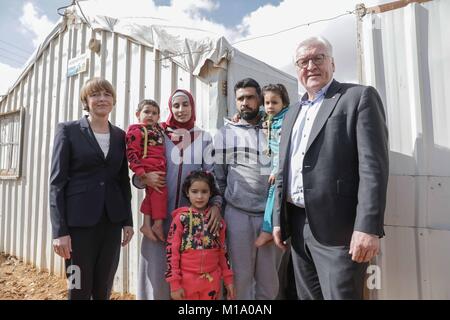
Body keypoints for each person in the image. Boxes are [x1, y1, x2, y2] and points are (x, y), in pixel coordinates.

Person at [273, 36, 389, 300]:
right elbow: (284, 170)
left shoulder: (358, 97)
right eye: (303, 61)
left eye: (318, 58)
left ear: (333, 64)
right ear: (297, 69)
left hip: (341, 232)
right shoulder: (291, 113)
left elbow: (374, 168)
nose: (310, 66)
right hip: (299, 226)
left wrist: (368, 227)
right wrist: (278, 220)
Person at [49, 78, 134, 300]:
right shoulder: (68, 130)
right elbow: (56, 183)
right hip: (77, 226)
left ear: (113, 100)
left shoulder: (119, 136)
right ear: (86, 100)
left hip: (111, 223)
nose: (102, 99)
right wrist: (60, 232)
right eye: (95, 94)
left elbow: (122, 180)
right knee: (77, 286)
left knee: (103, 288)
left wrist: (127, 220)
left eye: (107, 94)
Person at [137, 89, 223, 300]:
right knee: (155, 279)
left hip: (190, 223)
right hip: (158, 218)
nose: (181, 110)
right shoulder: (157, 134)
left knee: (187, 282)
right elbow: (141, 168)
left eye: (185, 104)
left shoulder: (203, 138)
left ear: (192, 107)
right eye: (176, 105)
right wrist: (143, 178)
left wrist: (216, 204)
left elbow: (212, 176)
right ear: (170, 108)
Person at [214, 78, 282, 300]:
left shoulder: (275, 127)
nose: (245, 103)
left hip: (269, 217)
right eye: (240, 98)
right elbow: (219, 176)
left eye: (250, 97)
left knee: (269, 282)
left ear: (260, 99)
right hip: (237, 214)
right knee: (240, 280)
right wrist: (223, 209)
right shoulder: (226, 133)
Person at [165, 170, 235, 300]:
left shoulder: (216, 221)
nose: (199, 196)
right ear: (187, 192)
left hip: (211, 283)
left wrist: (228, 280)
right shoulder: (181, 219)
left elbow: (223, 253)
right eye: (194, 191)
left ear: (211, 193)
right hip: (186, 283)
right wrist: (174, 284)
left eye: (204, 192)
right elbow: (171, 252)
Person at [126, 99, 167, 242]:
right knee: (160, 194)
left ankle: (146, 225)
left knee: (151, 195)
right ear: (138, 114)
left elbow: (170, 124)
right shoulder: (136, 131)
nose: (150, 115)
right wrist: (141, 173)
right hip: (148, 167)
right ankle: (158, 224)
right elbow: (131, 153)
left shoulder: (158, 129)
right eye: (146, 112)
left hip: (159, 166)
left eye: (154, 113)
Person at [254, 84, 290, 248]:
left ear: (284, 103)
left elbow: (285, 148)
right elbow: (261, 115)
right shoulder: (270, 118)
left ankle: (269, 230)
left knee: (273, 196)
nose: (270, 106)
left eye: (274, 102)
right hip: (276, 164)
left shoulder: (285, 120)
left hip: (282, 166)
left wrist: (276, 170)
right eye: (267, 103)